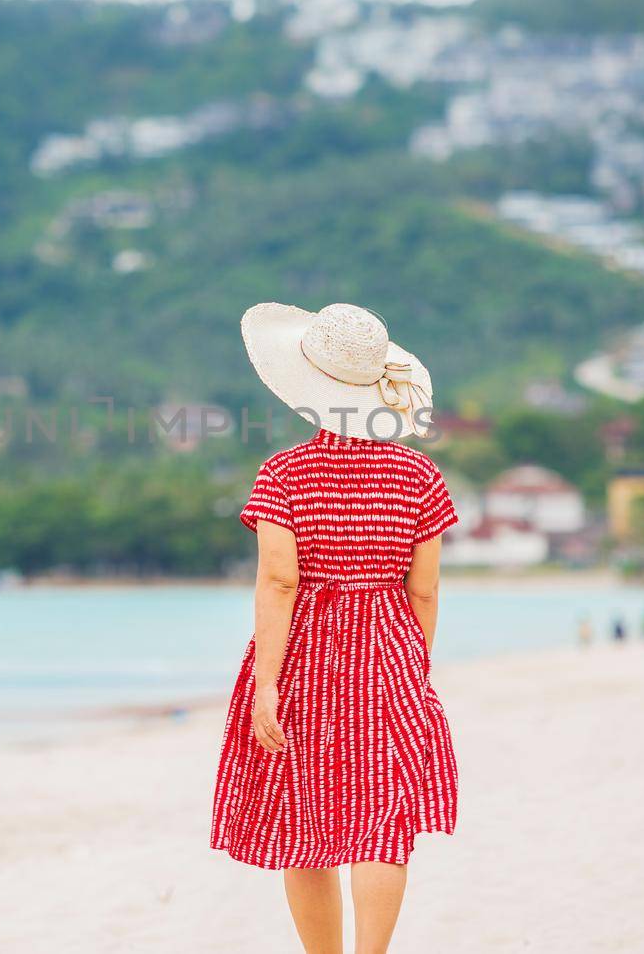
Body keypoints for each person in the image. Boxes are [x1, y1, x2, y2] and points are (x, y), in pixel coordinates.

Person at [211, 302, 459, 954]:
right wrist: (414, 664)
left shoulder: (284, 475)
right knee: (383, 819)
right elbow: (425, 588)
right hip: (389, 653)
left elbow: (279, 582)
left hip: (303, 658)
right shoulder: (420, 476)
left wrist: (266, 684)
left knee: (306, 820)